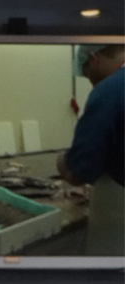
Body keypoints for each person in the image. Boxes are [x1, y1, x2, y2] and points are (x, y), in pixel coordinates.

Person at [56, 44, 124, 255]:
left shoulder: (110, 91)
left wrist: (62, 162)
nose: (91, 81)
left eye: (87, 75)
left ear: (94, 60)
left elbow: (79, 172)